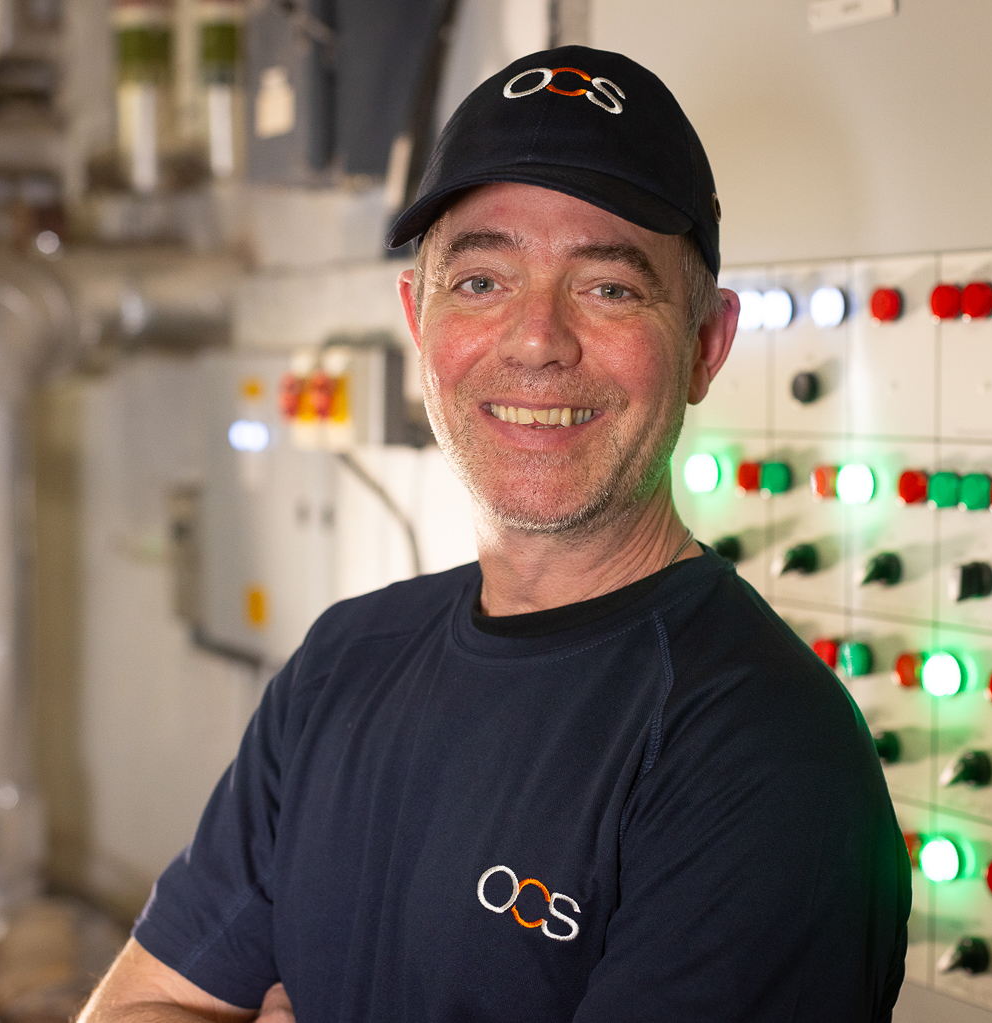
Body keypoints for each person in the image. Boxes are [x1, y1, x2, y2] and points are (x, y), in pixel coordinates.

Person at [80, 45, 910, 1023]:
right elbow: (132, 1007)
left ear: (705, 344)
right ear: (416, 320)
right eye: (480, 281)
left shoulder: (760, 756)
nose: (536, 340)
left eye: (608, 287)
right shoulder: (344, 663)